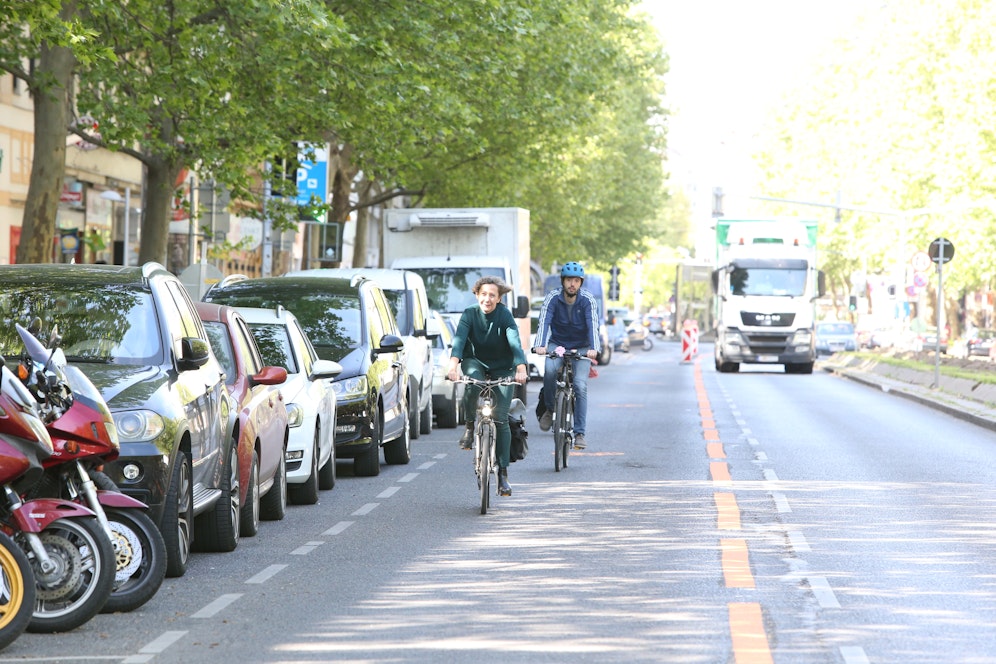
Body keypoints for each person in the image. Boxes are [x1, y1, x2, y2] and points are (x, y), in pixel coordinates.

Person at [447, 276, 528, 497]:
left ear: (499, 298)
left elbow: (515, 342)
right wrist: (453, 366)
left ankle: (503, 475)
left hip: (503, 367)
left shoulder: (504, 315)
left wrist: (520, 368)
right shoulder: (469, 314)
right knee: (472, 384)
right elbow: (459, 341)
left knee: (501, 419)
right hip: (475, 362)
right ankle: (469, 427)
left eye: (492, 295)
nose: (487, 299)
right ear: (477, 295)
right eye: (484, 294)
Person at [532, 261, 600, 450]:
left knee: (580, 385)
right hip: (558, 344)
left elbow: (593, 325)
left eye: (576, 281)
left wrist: (594, 348)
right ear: (562, 281)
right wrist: (540, 345)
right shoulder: (552, 298)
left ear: (581, 283)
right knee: (549, 370)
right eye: (569, 280)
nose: (572, 284)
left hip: (582, 346)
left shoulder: (587, 299)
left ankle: (579, 433)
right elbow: (544, 321)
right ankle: (550, 408)